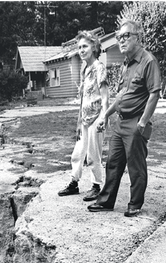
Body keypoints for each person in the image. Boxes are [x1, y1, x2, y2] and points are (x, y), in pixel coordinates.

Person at [88, 19, 161, 216]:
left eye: (126, 36)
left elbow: (154, 93)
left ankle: (135, 204)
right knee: (113, 163)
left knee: (136, 166)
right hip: (120, 123)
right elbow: (120, 97)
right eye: (119, 37)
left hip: (136, 122)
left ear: (138, 38)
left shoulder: (148, 61)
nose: (121, 40)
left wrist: (143, 122)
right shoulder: (125, 64)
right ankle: (106, 202)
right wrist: (105, 115)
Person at [58, 31, 109, 202]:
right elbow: (83, 98)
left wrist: (104, 117)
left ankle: (96, 186)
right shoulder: (85, 69)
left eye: (85, 46)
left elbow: (105, 96)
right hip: (85, 119)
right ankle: (74, 182)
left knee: (94, 154)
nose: (81, 50)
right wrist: (79, 121)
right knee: (78, 153)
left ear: (94, 47)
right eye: (79, 47)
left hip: (96, 117)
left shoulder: (99, 67)